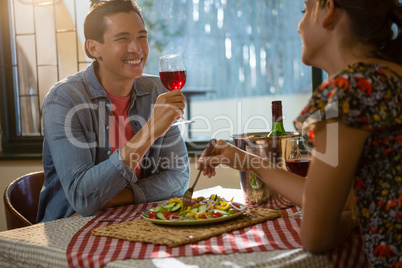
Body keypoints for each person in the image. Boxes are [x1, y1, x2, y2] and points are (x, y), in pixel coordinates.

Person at [199, 0, 402, 267]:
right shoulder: (390, 78)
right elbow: (322, 198)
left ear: (328, 10)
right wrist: (248, 160)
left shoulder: (348, 92)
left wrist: (355, 215)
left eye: (304, 11)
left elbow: (315, 237)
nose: (298, 26)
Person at [37, 0, 190, 222]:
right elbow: (83, 199)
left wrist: (118, 196)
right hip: (70, 229)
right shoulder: (64, 100)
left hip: (132, 221)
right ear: (93, 48)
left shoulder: (157, 90)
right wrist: (149, 132)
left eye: (141, 37)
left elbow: (179, 177)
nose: (137, 48)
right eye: (122, 38)